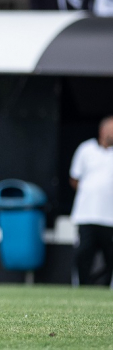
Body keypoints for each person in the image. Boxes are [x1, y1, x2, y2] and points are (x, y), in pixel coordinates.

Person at [69, 116, 113, 286]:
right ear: (102, 131)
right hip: (86, 214)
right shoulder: (86, 149)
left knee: (109, 256)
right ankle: (81, 286)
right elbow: (74, 178)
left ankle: (104, 288)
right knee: (84, 253)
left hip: (109, 218)